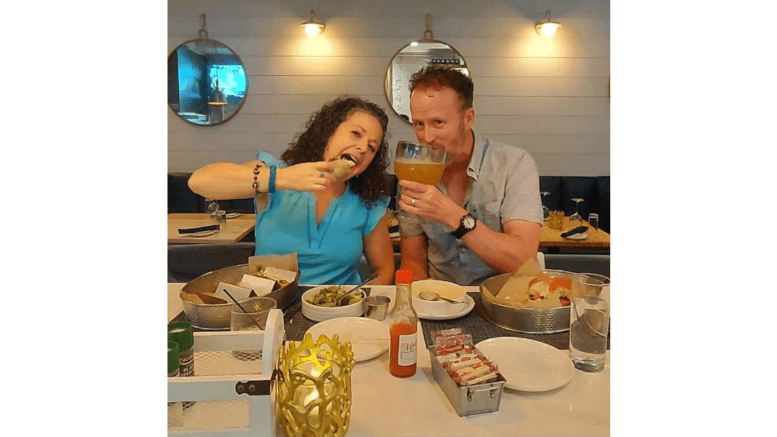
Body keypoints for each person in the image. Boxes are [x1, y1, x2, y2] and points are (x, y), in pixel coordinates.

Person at [189, 96, 395, 285]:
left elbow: (384, 269)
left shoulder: (368, 202)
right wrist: (280, 178)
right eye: (356, 134)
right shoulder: (278, 174)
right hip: (271, 308)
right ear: (329, 133)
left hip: (339, 316)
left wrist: (358, 303)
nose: (361, 148)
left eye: (372, 147)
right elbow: (200, 181)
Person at [397, 66, 542, 286]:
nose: (426, 137)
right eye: (419, 124)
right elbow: (412, 262)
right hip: (437, 299)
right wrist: (417, 302)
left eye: (438, 123)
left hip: (502, 300)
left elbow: (523, 260)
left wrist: (452, 215)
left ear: (468, 118)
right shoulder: (414, 173)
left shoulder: (514, 164)